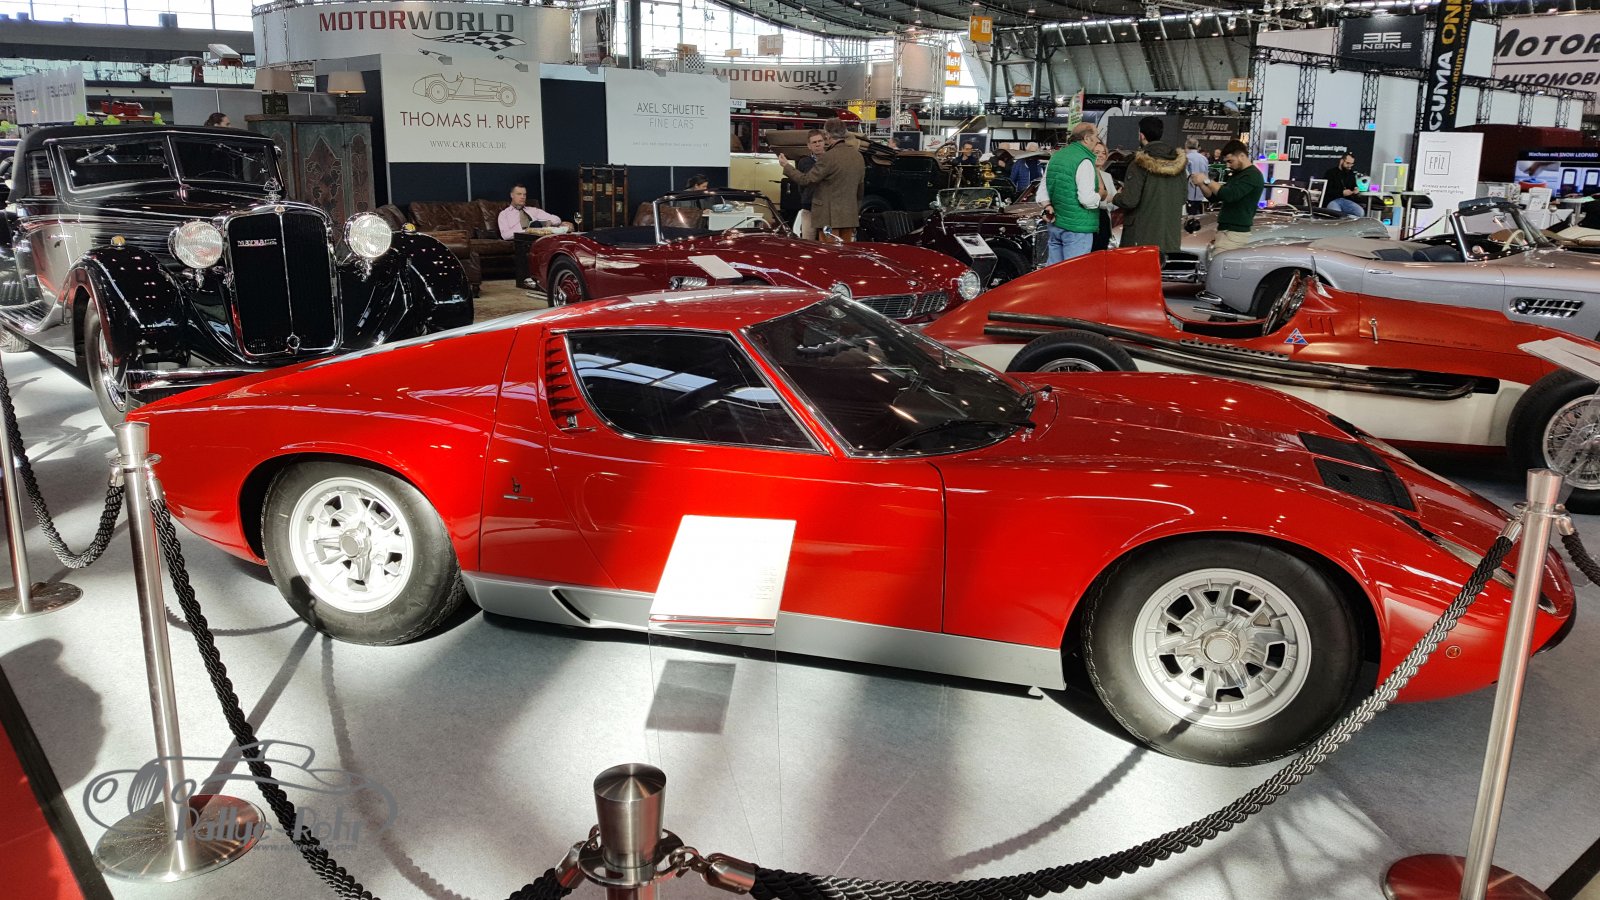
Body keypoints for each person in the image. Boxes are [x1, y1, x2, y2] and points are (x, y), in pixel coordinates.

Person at [778, 118, 865, 243]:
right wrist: (855, 211)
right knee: (846, 250)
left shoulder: (828, 157)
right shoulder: (858, 156)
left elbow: (806, 180)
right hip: (849, 216)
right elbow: (860, 189)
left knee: (828, 251)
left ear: (827, 135)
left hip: (829, 218)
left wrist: (786, 166)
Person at [1113, 116, 1187, 258]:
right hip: (1169, 235)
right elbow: (1182, 198)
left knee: (1137, 270)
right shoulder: (1178, 165)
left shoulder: (1139, 164)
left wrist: (1115, 197)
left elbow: (1130, 200)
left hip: (1140, 235)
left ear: (1141, 135)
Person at [1190, 141, 1265, 253]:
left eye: (1230, 161)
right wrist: (1201, 184)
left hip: (1234, 233)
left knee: (1220, 263)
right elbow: (1215, 197)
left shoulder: (1252, 175)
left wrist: (1206, 180)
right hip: (1226, 232)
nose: (1228, 165)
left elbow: (1229, 195)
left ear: (1242, 156)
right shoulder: (1237, 174)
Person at [1042, 122, 1101, 264]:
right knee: (1074, 272)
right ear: (1086, 138)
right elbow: (1086, 199)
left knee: (1054, 272)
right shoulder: (1084, 160)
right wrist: (1100, 196)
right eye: (1096, 136)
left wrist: (1047, 206)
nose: (1098, 140)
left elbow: (1043, 190)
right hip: (1077, 227)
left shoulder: (1056, 156)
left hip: (1055, 224)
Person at [498, 184, 571, 287]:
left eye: (524, 194)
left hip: (539, 238)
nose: (523, 197)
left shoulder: (533, 211)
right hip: (522, 240)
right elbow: (505, 235)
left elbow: (557, 219)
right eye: (519, 194)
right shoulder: (504, 214)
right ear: (512, 195)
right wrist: (526, 229)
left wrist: (546, 222)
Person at [794, 130, 826, 240]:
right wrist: (806, 197)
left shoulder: (831, 160)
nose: (817, 144)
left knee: (828, 242)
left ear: (824, 142)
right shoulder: (803, 162)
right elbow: (801, 184)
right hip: (809, 207)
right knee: (807, 241)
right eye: (814, 142)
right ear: (809, 146)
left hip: (827, 209)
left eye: (820, 141)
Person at [1092, 142, 1117, 252]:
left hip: (1104, 220)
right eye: (1097, 152)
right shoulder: (1085, 174)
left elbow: (1114, 203)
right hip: (1089, 219)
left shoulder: (1107, 176)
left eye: (1103, 153)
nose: (1101, 155)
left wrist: (1107, 199)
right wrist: (1107, 199)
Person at [1322, 153, 1364, 217]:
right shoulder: (1330, 173)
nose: (1349, 166)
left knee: (1360, 212)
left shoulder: (1351, 173)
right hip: (1332, 200)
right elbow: (1327, 190)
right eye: (1348, 163)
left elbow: (1354, 185)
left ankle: (1347, 219)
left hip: (1347, 201)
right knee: (1337, 214)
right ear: (1341, 161)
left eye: (1352, 164)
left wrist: (1356, 188)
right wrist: (1342, 192)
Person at [1184, 137, 1209, 215]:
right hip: (1201, 192)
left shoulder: (1185, 158)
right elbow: (1206, 176)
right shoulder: (1204, 158)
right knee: (1199, 216)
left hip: (1187, 192)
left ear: (1186, 145)